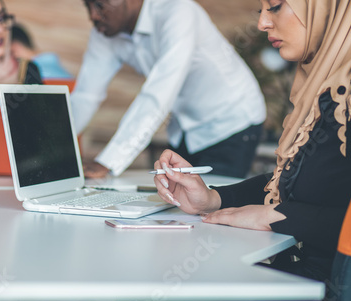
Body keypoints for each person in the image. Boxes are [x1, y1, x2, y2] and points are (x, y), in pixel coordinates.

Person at [115, 0, 351, 301]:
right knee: (146, 283)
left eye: (276, 7)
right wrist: (213, 198)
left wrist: (280, 217)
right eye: (261, 11)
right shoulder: (330, 79)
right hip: (301, 271)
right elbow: (296, 180)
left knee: (153, 292)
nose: (262, 24)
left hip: (339, 290)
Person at [71, 0, 266, 178]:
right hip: (185, 129)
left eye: (99, 4)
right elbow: (85, 96)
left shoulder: (177, 11)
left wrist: (108, 161)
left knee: (212, 206)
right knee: (177, 200)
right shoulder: (105, 32)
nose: (93, 15)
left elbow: (159, 93)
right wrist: (50, 153)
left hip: (232, 121)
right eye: (87, 6)